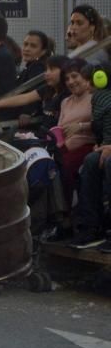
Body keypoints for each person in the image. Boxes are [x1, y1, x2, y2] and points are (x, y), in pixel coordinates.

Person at [67, 63, 111, 250]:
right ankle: (92, 228)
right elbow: (101, 127)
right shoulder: (99, 99)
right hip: (105, 146)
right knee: (91, 161)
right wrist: (102, 144)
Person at [0, 30, 54, 120]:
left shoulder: (37, 67)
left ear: (43, 51)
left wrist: (27, 112)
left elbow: (34, 91)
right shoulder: (30, 67)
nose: (27, 49)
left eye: (33, 46)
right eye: (25, 44)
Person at [54, 58, 95, 202]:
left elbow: (101, 123)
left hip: (87, 146)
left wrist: (80, 126)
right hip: (64, 147)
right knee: (48, 164)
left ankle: (68, 212)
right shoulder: (65, 102)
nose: (71, 82)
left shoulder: (96, 97)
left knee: (65, 165)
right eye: (67, 79)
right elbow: (59, 128)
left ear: (85, 76)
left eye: (75, 76)